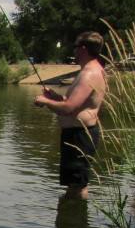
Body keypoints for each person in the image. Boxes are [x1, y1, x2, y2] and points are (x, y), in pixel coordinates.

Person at [34, 31, 107, 199]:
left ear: (82, 49)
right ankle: (70, 220)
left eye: (74, 46)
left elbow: (69, 108)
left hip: (81, 136)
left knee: (77, 186)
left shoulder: (89, 73)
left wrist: (43, 101)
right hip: (75, 135)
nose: (73, 50)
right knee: (73, 185)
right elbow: (70, 102)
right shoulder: (88, 71)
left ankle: (76, 221)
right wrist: (55, 98)